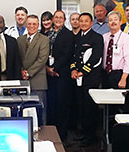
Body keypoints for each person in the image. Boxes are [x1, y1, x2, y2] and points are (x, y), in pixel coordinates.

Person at [70, 12, 103, 147]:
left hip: (90, 78)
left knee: (90, 108)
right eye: (81, 21)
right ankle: (83, 132)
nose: (83, 23)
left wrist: (82, 72)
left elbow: (96, 58)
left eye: (85, 21)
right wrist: (73, 69)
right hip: (77, 78)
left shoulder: (96, 37)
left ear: (91, 23)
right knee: (81, 107)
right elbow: (73, 56)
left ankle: (90, 136)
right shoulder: (76, 37)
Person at [45, 10, 75, 140]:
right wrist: (47, 68)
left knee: (62, 104)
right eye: (56, 17)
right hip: (48, 74)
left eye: (60, 17)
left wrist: (54, 68)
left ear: (64, 20)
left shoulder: (68, 34)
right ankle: (51, 132)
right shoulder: (47, 33)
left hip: (61, 74)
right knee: (51, 104)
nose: (58, 19)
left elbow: (67, 54)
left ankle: (62, 134)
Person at [17, 15, 49, 124]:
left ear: (38, 25)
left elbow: (42, 59)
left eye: (34, 24)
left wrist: (28, 72)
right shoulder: (20, 40)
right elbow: (16, 58)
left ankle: (42, 135)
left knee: (39, 110)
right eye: (29, 24)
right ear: (26, 24)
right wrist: (21, 71)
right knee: (24, 110)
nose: (32, 26)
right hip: (22, 80)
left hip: (37, 80)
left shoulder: (44, 39)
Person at [102, 11, 129, 89]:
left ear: (120, 22)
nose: (113, 22)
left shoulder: (127, 38)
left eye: (115, 19)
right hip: (105, 75)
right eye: (110, 20)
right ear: (107, 23)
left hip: (120, 75)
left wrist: (123, 78)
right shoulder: (104, 37)